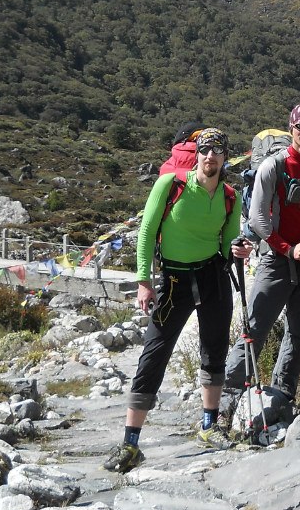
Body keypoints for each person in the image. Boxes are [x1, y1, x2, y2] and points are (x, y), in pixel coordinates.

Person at [103, 127, 252, 472]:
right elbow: (146, 231)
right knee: (155, 353)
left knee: (214, 348)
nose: (210, 156)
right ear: (197, 153)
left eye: (217, 151)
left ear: (225, 157)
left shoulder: (230, 196)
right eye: (204, 150)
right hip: (172, 280)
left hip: (213, 276)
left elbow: (228, 244)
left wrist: (238, 249)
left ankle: (208, 425)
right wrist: (143, 280)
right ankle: (130, 443)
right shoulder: (171, 185)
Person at [212, 103, 300, 442]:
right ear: (291, 129)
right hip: (275, 258)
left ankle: (282, 397)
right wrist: (288, 249)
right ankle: (223, 405)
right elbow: (258, 220)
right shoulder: (273, 166)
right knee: (255, 328)